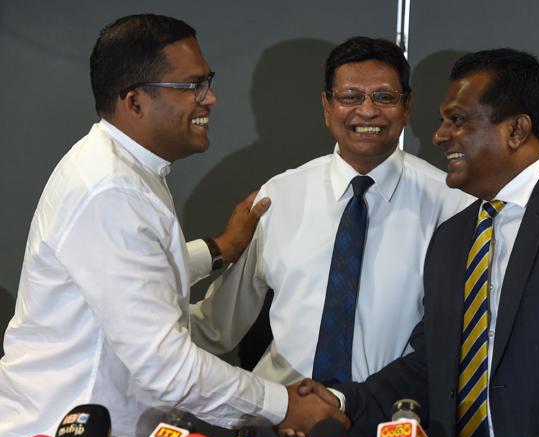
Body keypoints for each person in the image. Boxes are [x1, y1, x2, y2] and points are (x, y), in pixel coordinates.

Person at [0, 14, 342, 437]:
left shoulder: (128, 166)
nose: (211, 98)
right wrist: (284, 405)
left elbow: (139, 269)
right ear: (135, 101)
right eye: (193, 86)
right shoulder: (109, 189)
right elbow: (168, 367)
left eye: (208, 81)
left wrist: (219, 249)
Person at [290, 48, 539, 437]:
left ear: (517, 129)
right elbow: (432, 366)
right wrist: (341, 402)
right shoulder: (452, 237)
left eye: (458, 120)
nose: (439, 135)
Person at [190, 37, 471, 387]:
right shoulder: (278, 197)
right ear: (326, 105)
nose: (367, 111)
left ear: (407, 106)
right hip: (281, 418)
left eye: (383, 97)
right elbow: (217, 326)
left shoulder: (455, 206)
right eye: (350, 97)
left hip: (388, 424)